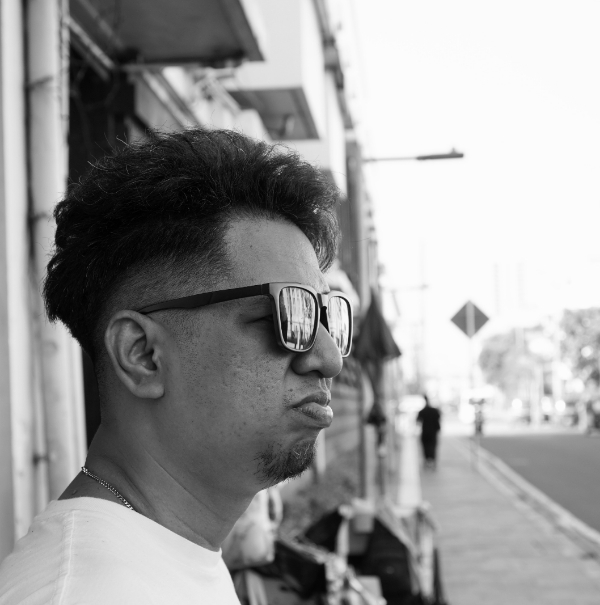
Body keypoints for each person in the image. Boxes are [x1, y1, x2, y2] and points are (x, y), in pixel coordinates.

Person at [0, 128, 352, 604]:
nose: (328, 358)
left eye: (327, 316)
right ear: (142, 354)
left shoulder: (168, 552)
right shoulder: (86, 592)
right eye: (290, 314)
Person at [416, 394, 442, 469]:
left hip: (425, 432)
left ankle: (427, 462)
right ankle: (432, 462)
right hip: (433, 433)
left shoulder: (422, 411)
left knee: (426, 447)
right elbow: (438, 420)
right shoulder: (435, 411)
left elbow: (418, 421)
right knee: (432, 447)